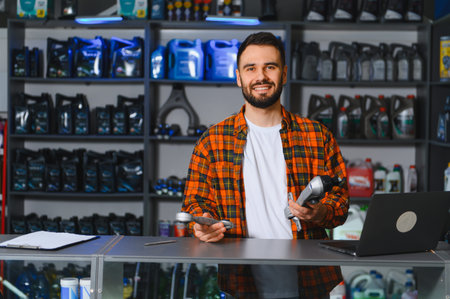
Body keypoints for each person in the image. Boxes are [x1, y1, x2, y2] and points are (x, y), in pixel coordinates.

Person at [181, 32, 349, 298]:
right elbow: (195, 202)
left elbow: (340, 204)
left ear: (283, 74)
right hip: (242, 279)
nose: (261, 77)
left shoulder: (317, 135)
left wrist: (318, 213)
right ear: (238, 77)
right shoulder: (212, 141)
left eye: (269, 67)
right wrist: (204, 225)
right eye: (251, 68)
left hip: (309, 278)